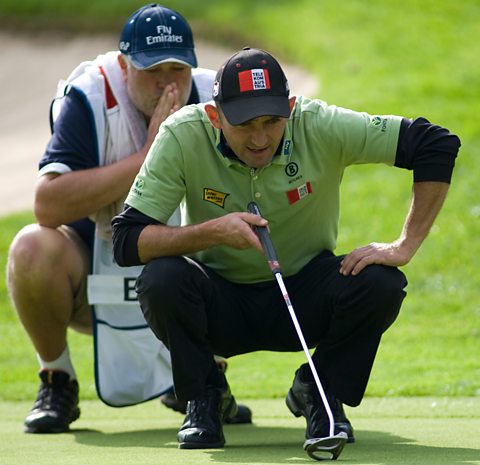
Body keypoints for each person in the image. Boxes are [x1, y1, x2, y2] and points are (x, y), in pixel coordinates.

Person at [111, 45, 460, 454]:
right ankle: (204, 396)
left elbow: (435, 144)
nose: (260, 138)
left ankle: (319, 390)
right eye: (243, 124)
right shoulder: (183, 134)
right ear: (214, 115)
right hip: (219, 302)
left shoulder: (319, 124)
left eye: (272, 121)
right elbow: (127, 240)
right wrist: (212, 232)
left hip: (305, 291)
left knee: (380, 282)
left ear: (290, 109)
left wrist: (404, 246)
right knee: (161, 278)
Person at [6, 4, 251, 434]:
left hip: (184, 276)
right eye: (151, 69)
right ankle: (57, 379)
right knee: (31, 248)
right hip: (94, 280)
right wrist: (148, 155)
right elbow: (47, 204)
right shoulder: (90, 97)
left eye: (176, 68)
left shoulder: (213, 100)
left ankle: (202, 382)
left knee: (242, 234)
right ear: (123, 66)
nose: (166, 82)